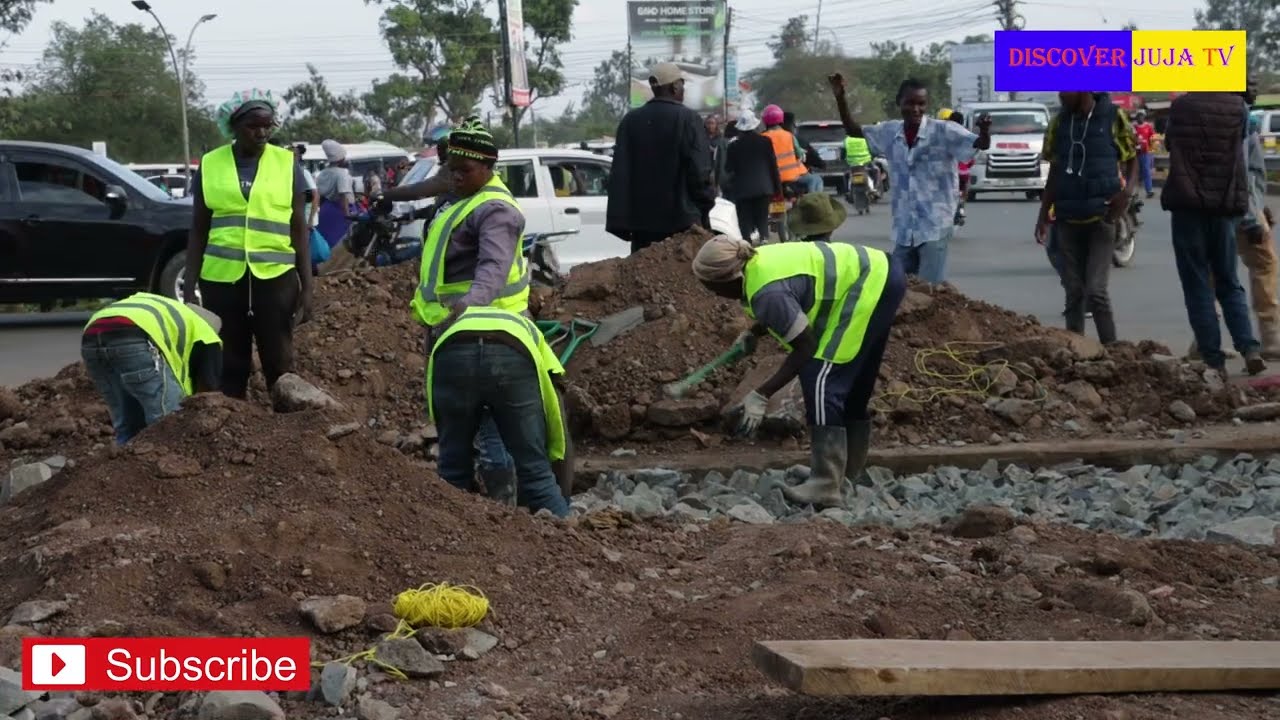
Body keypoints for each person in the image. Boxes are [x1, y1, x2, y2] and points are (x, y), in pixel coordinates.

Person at [691, 235, 906, 509]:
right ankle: (843, 475)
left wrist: (761, 394)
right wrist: (756, 330)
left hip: (869, 284)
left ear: (725, 279)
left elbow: (806, 346)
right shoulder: (757, 263)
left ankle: (826, 484)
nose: (713, 295)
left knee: (821, 379)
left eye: (710, 288)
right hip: (882, 273)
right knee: (852, 384)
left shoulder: (766, 293)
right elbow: (792, 296)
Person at [407, 117, 536, 504]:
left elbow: (493, 271)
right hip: (454, 330)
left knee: (490, 426)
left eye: (464, 170)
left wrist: (463, 309)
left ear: (487, 168)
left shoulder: (494, 209)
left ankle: (500, 509)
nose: (455, 176)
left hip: (486, 332)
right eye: (451, 169)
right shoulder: (460, 202)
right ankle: (466, 518)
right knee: (457, 429)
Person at [183, 88, 311, 400]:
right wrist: (189, 286)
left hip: (275, 277)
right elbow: (198, 228)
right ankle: (234, 428)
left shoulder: (285, 163)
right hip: (221, 278)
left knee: (279, 359)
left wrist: (307, 286)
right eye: (254, 126)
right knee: (229, 359)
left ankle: (287, 432)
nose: (263, 132)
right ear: (235, 127)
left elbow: (298, 226)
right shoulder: (211, 164)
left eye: (268, 126)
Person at [828, 73, 991, 285]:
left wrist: (985, 130)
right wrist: (840, 97)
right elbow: (853, 129)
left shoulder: (944, 131)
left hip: (935, 224)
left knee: (928, 289)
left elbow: (980, 144)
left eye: (921, 104)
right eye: (910, 103)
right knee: (896, 286)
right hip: (904, 228)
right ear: (899, 103)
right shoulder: (889, 131)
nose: (916, 109)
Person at [426, 306, 570, 517]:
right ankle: (566, 540)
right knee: (537, 475)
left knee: (452, 470)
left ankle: (442, 538)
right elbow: (555, 403)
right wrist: (556, 461)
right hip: (513, 354)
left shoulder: (460, 320)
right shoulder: (532, 334)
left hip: (452, 352)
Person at [1161, 90, 1265, 378]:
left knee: (1197, 286)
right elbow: (1242, 158)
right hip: (1224, 205)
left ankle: (1213, 358)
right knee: (1229, 281)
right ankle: (1249, 348)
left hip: (1188, 205)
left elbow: (1170, 144)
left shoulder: (1181, 106)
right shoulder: (1238, 108)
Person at [1032, 92, 1136, 346]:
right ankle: (1077, 351)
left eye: (1066, 89)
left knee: (1096, 292)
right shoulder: (1059, 123)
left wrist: (1127, 193)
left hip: (1102, 218)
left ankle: (1113, 353)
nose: (1060, 95)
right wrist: (1043, 215)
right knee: (1074, 292)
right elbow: (1055, 172)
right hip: (1067, 219)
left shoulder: (1114, 117)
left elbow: (1133, 157)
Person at [82, 292, 223, 445]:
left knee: (127, 422)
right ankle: (167, 464)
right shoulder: (207, 334)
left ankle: (124, 462)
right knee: (168, 423)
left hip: (92, 334)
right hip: (133, 334)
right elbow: (208, 388)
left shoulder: (173, 315)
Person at [606, 62, 716, 255]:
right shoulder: (688, 119)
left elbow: (620, 174)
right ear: (674, 87)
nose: (683, 89)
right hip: (682, 226)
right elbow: (699, 171)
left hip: (642, 228)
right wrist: (705, 204)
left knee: (645, 281)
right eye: (682, 84)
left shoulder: (630, 121)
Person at [723, 108, 781, 244]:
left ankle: (747, 243)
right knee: (762, 216)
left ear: (740, 128)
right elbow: (773, 166)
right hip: (764, 187)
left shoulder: (734, 145)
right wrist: (777, 188)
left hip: (743, 190)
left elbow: (728, 168)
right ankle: (764, 238)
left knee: (744, 219)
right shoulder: (765, 141)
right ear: (755, 125)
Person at [762, 105, 823, 196]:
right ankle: (812, 201)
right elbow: (799, 155)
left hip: (771, 179)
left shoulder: (762, 138)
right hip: (792, 177)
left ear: (764, 121)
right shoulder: (789, 136)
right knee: (816, 179)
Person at [314, 139, 356, 249]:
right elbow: (343, 195)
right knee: (343, 242)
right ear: (341, 159)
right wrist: (347, 215)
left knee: (324, 239)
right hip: (341, 210)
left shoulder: (322, 173)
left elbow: (317, 193)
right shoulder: (342, 173)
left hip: (325, 210)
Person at [948, 111, 972, 226]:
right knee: (965, 188)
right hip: (964, 172)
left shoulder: (946, 133)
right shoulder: (966, 135)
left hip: (949, 172)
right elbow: (971, 157)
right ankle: (961, 207)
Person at [1132, 110, 1156, 199]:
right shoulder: (1133, 127)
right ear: (1136, 117)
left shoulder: (1148, 127)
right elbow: (1130, 138)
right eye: (1138, 116)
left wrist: (1152, 150)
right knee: (1134, 172)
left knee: (1146, 171)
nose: (1140, 117)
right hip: (1134, 153)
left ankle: (1149, 190)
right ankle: (1134, 192)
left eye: (1142, 116)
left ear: (1144, 117)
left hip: (1145, 153)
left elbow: (1153, 138)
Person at [706, 113, 729, 195]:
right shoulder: (702, 138)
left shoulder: (721, 140)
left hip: (716, 169)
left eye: (712, 123)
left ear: (716, 125)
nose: (710, 126)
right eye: (708, 123)